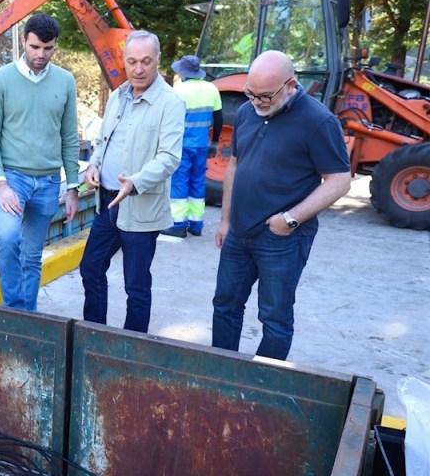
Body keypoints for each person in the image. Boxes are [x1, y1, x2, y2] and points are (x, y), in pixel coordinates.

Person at [211, 50, 351, 360]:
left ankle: (260, 386)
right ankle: (220, 372)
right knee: (225, 305)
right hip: (239, 231)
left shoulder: (318, 122)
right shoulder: (248, 111)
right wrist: (225, 220)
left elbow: (340, 180)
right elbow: (234, 164)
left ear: (290, 85)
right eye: (251, 92)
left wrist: (290, 219)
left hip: (281, 238)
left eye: (265, 95)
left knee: (274, 319)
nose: (256, 101)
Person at [79, 30, 184, 332]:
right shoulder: (117, 96)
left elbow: (169, 157)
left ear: (158, 61)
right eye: (132, 61)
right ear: (123, 61)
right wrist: (93, 166)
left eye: (146, 62)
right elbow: (102, 140)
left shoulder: (170, 103)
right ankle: (95, 335)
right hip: (107, 204)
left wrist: (135, 182)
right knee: (91, 269)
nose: (139, 69)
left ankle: (131, 349)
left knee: (136, 286)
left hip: (139, 209)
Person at [0, 12, 80, 311]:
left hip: (49, 182)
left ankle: (28, 316)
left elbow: (69, 137)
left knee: (32, 255)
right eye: (35, 47)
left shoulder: (64, 81)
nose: (41, 54)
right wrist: (0, 184)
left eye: (48, 48)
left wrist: (72, 187)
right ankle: (15, 312)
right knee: (9, 241)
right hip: (12, 180)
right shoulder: (1, 81)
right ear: (23, 41)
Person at [162, 55, 223, 237]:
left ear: (182, 72)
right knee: (198, 182)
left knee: (180, 182)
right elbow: (218, 119)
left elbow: (170, 121)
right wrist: (214, 142)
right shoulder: (212, 89)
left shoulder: (179, 91)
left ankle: (178, 225)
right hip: (202, 146)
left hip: (182, 146)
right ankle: (196, 224)